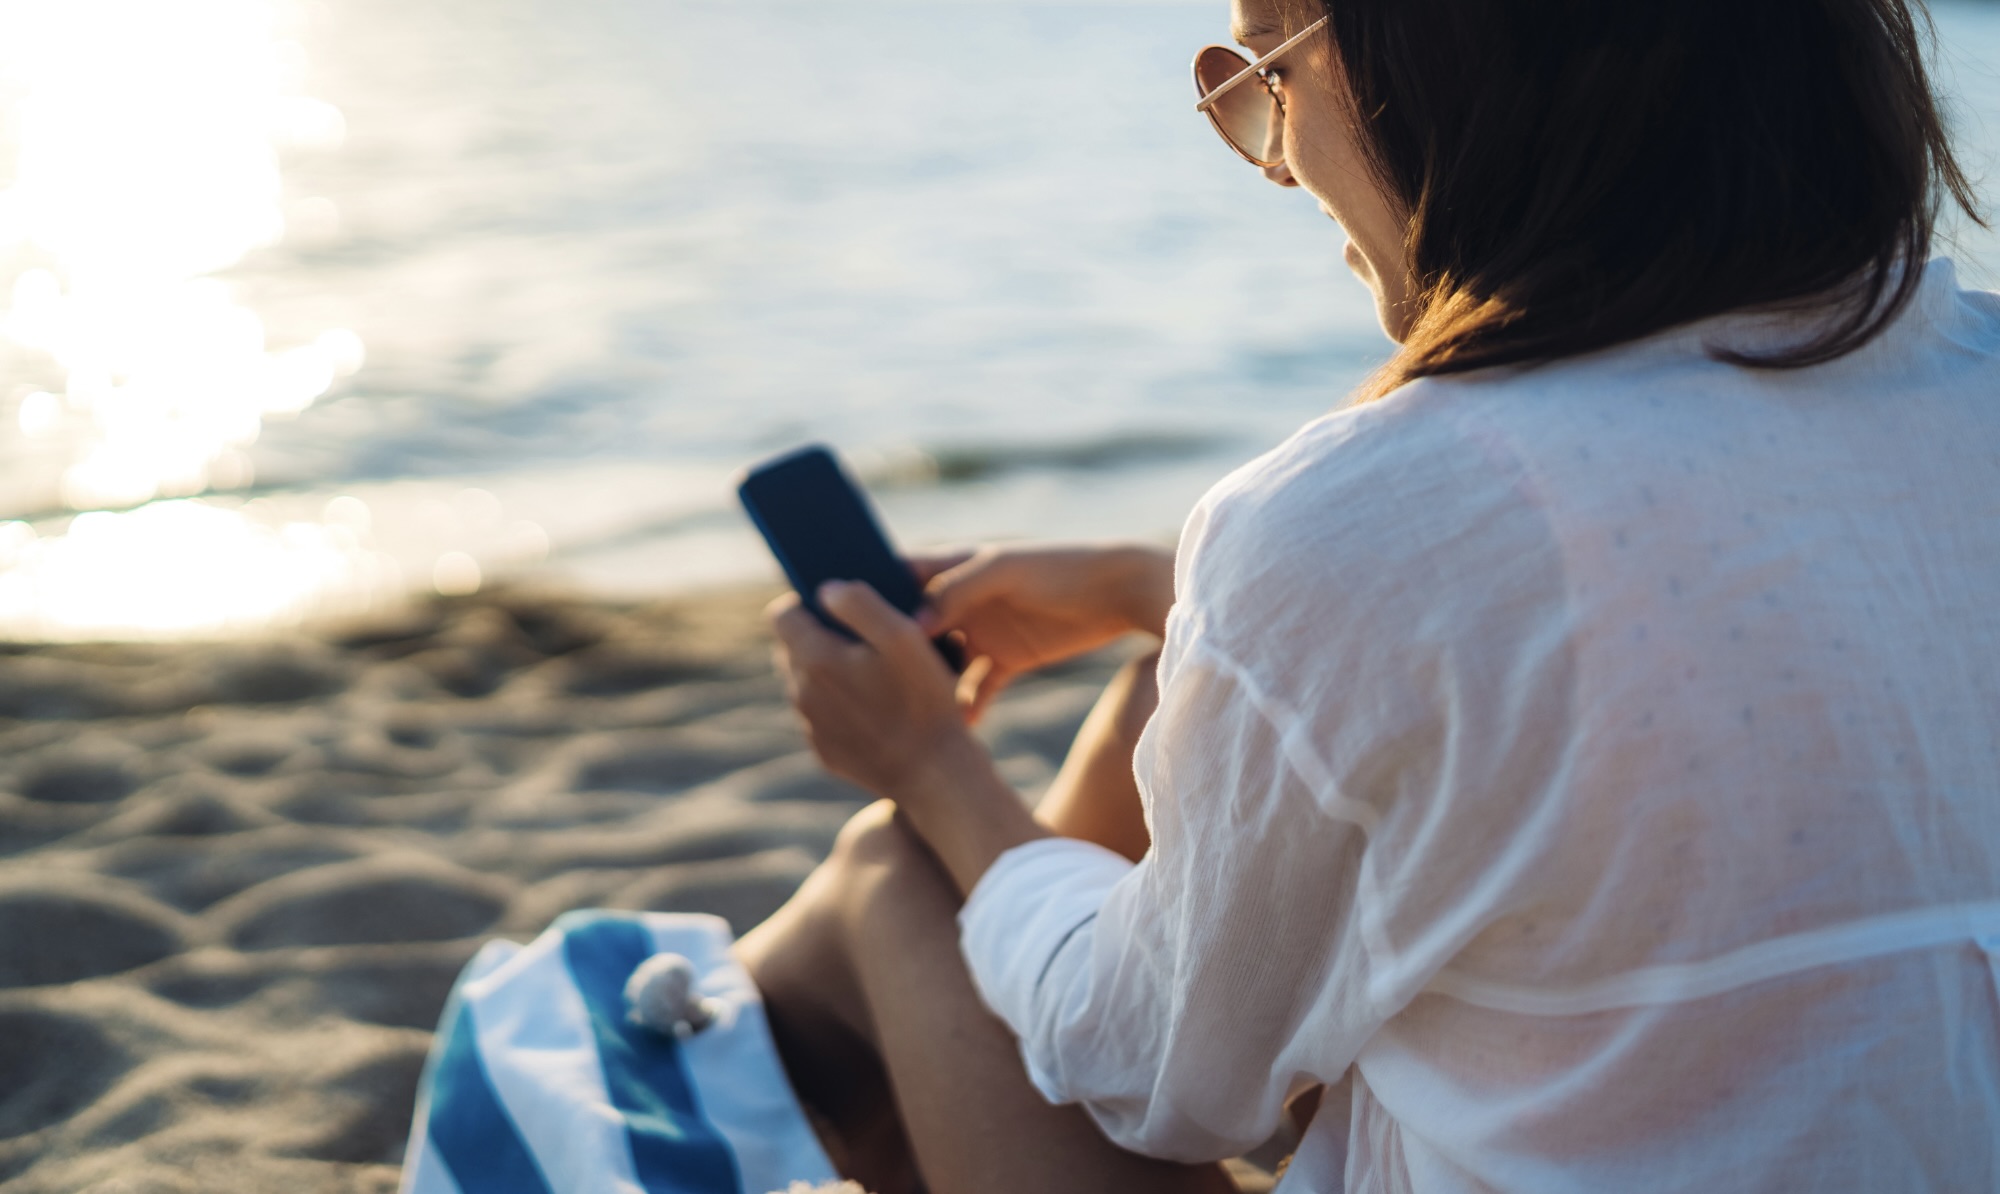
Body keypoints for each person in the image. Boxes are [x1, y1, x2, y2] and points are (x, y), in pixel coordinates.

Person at [733, 0, 2000, 1189]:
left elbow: (1147, 1073)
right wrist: (1151, 583)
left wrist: (926, 763)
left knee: (898, 879)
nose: (1277, 164)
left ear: (1440, 56)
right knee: (1152, 705)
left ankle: (684, 1067)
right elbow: (1725, 612)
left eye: (1263, 77)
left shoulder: (1367, 519)